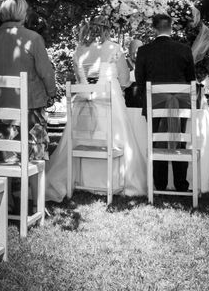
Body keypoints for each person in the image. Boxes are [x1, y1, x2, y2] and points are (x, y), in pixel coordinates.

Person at [45, 16, 147, 201]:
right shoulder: (114, 48)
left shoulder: (79, 51)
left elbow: (79, 81)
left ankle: (79, 180)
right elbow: (124, 80)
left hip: (83, 110)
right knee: (120, 135)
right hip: (111, 106)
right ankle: (116, 181)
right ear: (107, 30)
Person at [0, 0, 56, 163]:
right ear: (23, 13)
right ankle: (35, 189)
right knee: (35, 159)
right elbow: (46, 72)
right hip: (30, 111)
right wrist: (51, 92)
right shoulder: (33, 38)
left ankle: (6, 187)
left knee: (3, 156)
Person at [135, 13, 196, 192]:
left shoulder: (144, 51)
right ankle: (181, 185)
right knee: (179, 140)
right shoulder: (184, 49)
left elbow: (140, 81)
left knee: (156, 141)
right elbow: (191, 80)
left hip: (154, 104)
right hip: (180, 103)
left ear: (154, 28)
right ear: (171, 27)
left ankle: (160, 184)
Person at [124, 38, 144, 107]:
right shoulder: (124, 64)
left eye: (138, 53)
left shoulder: (145, 65)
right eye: (133, 53)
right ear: (129, 52)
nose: (135, 56)